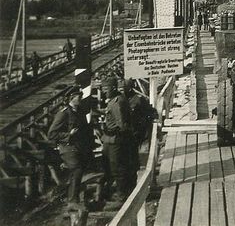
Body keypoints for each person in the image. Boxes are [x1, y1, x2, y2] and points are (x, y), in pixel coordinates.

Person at [48, 89, 94, 210]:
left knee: (80, 170)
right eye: (78, 97)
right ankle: (72, 201)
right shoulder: (63, 113)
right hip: (67, 147)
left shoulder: (80, 112)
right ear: (71, 98)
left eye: (81, 96)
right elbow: (52, 134)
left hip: (79, 147)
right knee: (77, 170)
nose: (80, 98)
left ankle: (76, 198)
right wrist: (69, 134)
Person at [100, 76, 133, 205]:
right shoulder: (113, 100)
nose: (103, 91)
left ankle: (121, 195)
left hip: (115, 139)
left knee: (116, 167)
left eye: (106, 88)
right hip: (109, 138)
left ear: (113, 88)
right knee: (108, 165)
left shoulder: (117, 102)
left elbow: (121, 125)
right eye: (102, 88)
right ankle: (112, 192)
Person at [119, 79, 155, 189]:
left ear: (129, 88)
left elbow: (150, 113)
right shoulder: (120, 100)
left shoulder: (139, 100)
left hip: (135, 135)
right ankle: (126, 187)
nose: (122, 91)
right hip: (123, 136)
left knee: (133, 162)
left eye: (124, 88)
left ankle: (133, 186)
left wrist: (143, 128)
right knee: (124, 162)